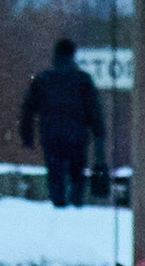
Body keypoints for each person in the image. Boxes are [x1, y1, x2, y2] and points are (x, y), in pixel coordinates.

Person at [18, 37, 104, 209]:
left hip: (51, 136)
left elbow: (27, 110)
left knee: (55, 174)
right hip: (77, 138)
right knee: (77, 174)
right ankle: (76, 204)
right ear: (73, 55)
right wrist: (99, 138)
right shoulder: (83, 80)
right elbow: (94, 112)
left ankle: (58, 204)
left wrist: (27, 136)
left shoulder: (43, 79)